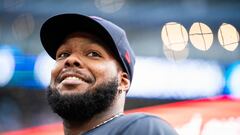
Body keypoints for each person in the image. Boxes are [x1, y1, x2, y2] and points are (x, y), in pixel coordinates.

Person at [40, 13, 178, 135]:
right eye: (63, 54)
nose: (70, 60)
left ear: (123, 81)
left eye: (93, 54)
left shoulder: (143, 129)